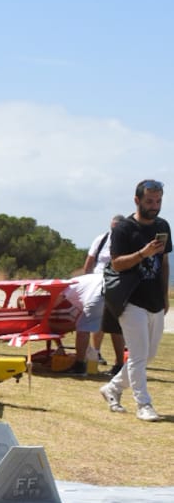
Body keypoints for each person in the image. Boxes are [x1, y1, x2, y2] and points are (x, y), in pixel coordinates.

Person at [99, 180, 170, 421]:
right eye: (150, 201)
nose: (155, 206)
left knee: (148, 355)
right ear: (137, 200)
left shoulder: (163, 225)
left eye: (158, 201)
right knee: (139, 355)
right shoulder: (123, 229)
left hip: (154, 300)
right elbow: (117, 263)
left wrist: (164, 295)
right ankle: (144, 405)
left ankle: (113, 388)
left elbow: (164, 263)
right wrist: (143, 253)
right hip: (130, 299)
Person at [83, 215, 126, 371]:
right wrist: (86, 281)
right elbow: (89, 262)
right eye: (112, 227)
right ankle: (96, 353)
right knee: (96, 320)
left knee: (115, 324)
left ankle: (119, 362)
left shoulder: (127, 241)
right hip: (96, 283)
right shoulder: (101, 239)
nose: (114, 230)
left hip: (116, 284)